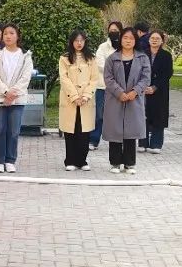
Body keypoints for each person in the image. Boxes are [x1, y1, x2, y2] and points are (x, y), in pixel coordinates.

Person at [102, 28, 151, 174]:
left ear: (135, 40)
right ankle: (115, 163)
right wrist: (119, 92)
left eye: (131, 38)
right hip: (115, 99)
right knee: (115, 130)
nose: (128, 41)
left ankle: (130, 163)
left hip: (134, 99)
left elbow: (146, 78)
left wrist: (135, 91)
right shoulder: (112, 58)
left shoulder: (142, 58)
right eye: (125, 38)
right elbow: (108, 78)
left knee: (131, 131)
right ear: (120, 39)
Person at [0, 24, 33, 173]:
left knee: (14, 131)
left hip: (17, 99)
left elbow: (25, 78)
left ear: (17, 36)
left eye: (11, 33)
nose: (8, 36)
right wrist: (6, 92)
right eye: (6, 33)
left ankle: (10, 160)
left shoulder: (25, 56)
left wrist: (13, 93)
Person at [58, 30, 99, 171]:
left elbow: (94, 79)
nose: (79, 43)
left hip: (86, 101)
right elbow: (64, 78)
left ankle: (82, 160)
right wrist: (75, 97)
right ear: (72, 42)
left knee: (84, 131)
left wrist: (86, 96)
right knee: (70, 130)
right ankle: (70, 160)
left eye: (82, 40)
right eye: (76, 40)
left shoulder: (91, 59)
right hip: (70, 100)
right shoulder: (64, 58)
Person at [138, 31, 174, 154]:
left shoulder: (166, 55)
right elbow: (138, 71)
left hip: (160, 90)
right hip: (143, 89)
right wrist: (143, 86)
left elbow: (167, 73)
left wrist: (154, 87)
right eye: (152, 38)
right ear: (148, 40)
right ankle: (142, 143)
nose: (154, 40)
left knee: (159, 115)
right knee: (143, 115)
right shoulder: (142, 54)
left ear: (162, 41)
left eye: (157, 38)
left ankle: (156, 144)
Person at [90, 21, 122, 151]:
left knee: (117, 115)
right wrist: (116, 71)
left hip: (120, 87)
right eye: (111, 30)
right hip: (103, 86)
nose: (113, 32)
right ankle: (93, 140)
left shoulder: (124, 47)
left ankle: (117, 140)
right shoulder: (103, 47)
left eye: (116, 30)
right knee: (99, 115)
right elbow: (99, 64)